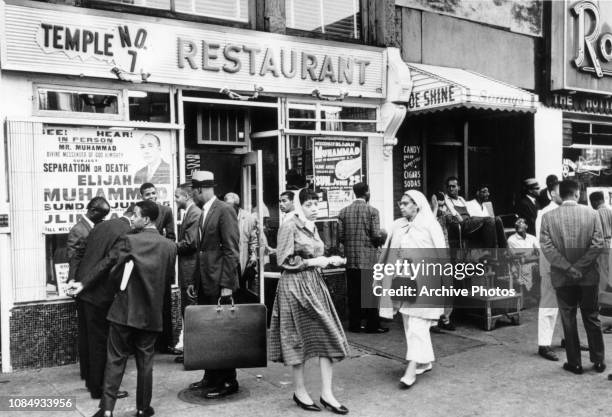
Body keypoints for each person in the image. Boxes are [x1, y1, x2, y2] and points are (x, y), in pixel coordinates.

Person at [92, 200, 177, 417]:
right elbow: (167, 279)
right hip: (151, 314)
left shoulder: (129, 241)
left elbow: (112, 271)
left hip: (124, 311)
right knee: (146, 363)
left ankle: (107, 410)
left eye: (136, 214)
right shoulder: (169, 246)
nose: (132, 218)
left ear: (146, 219)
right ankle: (142, 408)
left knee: (115, 359)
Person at [269, 188, 349, 414]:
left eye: (316, 204)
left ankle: (327, 394)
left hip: (313, 285)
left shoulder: (312, 227)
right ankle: (300, 391)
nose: (314, 209)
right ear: (299, 205)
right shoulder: (289, 225)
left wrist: (327, 260)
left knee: (328, 334)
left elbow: (315, 255)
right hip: (294, 286)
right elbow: (283, 260)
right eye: (309, 205)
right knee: (296, 339)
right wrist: (316, 262)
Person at [379, 190, 446, 388]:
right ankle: (424, 361)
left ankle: (411, 367)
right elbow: (389, 252)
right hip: (405, 279)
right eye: (401, 203)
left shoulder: (429, 224)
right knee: (409, 322)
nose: (402, 206)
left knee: (417, 324)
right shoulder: (399, 225)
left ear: (417, 205)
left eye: (407, 203)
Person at [540, 179, 605, 375]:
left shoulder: (548, 217)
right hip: (588, 278)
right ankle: (599, 361)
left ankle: (575, 363)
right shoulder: (592, 214)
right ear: (577, 194)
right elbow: (597, 244)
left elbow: (547, 248)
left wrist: (568, 268)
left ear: (560, 194)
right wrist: (580, 267)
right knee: (592, 317)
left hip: (562, 278)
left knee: (568, 319)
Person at [67, 207, 132, 400]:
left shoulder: (100, 226)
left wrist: (74, 279)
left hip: (83, 292)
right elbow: (109, 261)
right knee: (100, 341)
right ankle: (100, 388)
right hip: (98, 293)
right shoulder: (126, 232)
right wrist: (85, 282)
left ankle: (89, 379)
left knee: (87, 337)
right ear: (132, 216)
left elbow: (78, 252)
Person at [188, 171, 241, 399]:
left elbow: (231, 250)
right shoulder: (204, 212)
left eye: (193, 190)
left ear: (200, 189)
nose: (193, 194)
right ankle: (211, 376)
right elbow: (202, 251)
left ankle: (228, 380)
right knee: (208, 332)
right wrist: (194, 280)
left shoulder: (224, 210)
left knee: (222, 333)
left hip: (219, 282)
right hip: (205, 282)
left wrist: (227, 284)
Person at [67, 196, 110, 385]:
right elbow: (73, 258)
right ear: (92, 211)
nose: (103, 220)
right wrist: (73, 282)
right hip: (84, 289)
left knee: (91, 334)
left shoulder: (95, 227)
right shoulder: (78, 230)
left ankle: (90, 374)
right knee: (90, 335)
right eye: (101, 215)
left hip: (92, 287)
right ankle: (91, 374)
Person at [337, 182, 388, 334]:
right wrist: (383, 238)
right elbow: (375, 235)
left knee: (353, 293)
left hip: (351, 259)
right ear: (367, 192)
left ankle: (355, 325)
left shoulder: (343, 212)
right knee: (370, 293)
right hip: (369, 259)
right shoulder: (373, 211)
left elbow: (340, 236)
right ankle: (373, 325)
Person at [140, 182, 176, 353]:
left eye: (154, 193)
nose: (152, 196)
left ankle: (166, 343)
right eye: (148, 194)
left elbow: (171, 238)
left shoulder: (166, 211)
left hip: (160, 264)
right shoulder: (137, 211)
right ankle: (143, 345)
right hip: (143, 265)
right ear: (142, 196)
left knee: (164, 305)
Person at [173, 183, 202, 363]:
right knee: (188, 310)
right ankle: (190, 350)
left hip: (191, 270)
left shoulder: (194, 214)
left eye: (177, 197)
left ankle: (192, 352)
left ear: (187, 197)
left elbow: (190, 243)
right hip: (188, 269)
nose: (175, 200)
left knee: (190, 310)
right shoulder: (192, 213)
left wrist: (169, 246)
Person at [535, 179, 562, 361]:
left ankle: (567, 338)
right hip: (551, 265)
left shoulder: (565, 211)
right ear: (552, 193)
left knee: (567, 305)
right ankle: (544, 344)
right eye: (562, 191)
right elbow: (543, 243)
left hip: (567, 265)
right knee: (549, 305)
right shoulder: (544, 213)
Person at [441, 177, 505, 248]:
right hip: (462, 224)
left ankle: (504, 251)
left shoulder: (461, 199)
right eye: (449, 187)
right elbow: (450, 214)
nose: (451, 189)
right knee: (489, 220)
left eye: (453, 186)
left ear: (458, 187)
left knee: (497, 220)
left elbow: (470, 212)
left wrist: (478, 220)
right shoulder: (446, 200)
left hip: (469, 222)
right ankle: (491, 254)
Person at [224, 192, 257, 276]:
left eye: (230, 206)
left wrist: (253, 255)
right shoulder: (223, 217)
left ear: (237, 206)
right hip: (227, 260)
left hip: (242, 258)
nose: (227, 208)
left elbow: (253, 239)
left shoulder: (248, 217)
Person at [507, 218, 539, 293]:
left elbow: (540, 253)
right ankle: (533, 294)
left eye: (521, 223)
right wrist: (532, 256)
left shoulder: (532, 238)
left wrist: (530, 257)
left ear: (526, 226)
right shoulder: (511, 240)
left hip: (534, 264)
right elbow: (516, 257)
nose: (518, 224)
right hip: (520, 266)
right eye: (517, 223)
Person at [589, 191, 612, 292]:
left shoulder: (595, 214)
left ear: (595, 201)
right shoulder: (611, 211)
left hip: (602, 245)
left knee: (602, 273)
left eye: (591, 202)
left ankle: (604, 300)